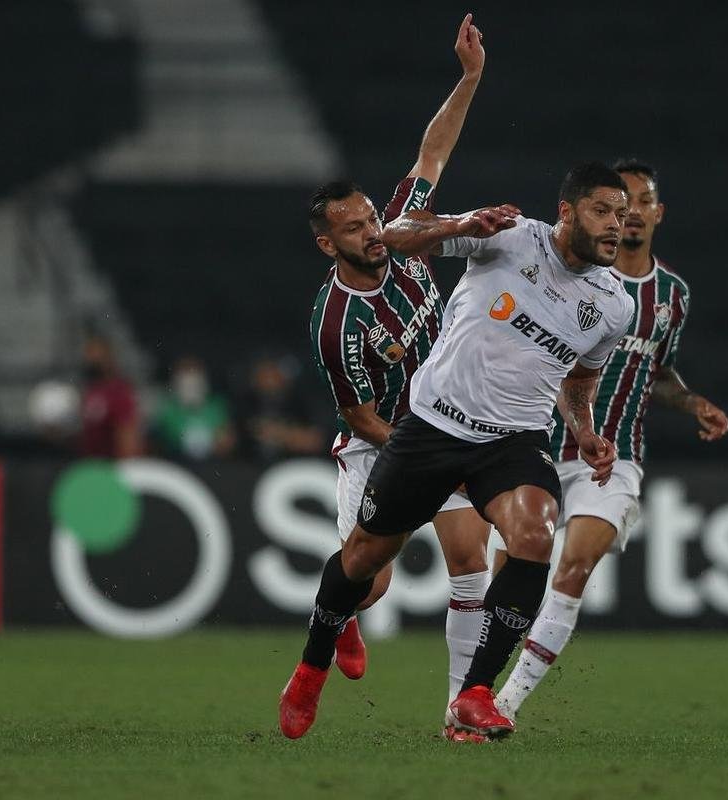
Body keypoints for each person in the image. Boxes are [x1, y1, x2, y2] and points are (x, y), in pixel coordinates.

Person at [279, 158, 636, 743]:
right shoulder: (510, 238)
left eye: (621, 216)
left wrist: (587, 431)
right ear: (567, 211)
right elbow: (394, 234)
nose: (614, 226)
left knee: (535, 533)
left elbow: (577, 383)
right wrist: (463, 221)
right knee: (364, 562)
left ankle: (473, 693)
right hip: (433, 426)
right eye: (602, 211)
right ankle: (312, 664)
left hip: (515, 439)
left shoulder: (613, 305)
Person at [278, 14, 498, 743]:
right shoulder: (336, 320)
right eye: (354, 229)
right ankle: (330, 633)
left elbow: (432, 150)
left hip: (448, 428)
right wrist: (423, 448)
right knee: (370, 581)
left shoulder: (402, 238)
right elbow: (360, 415)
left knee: (472, 559)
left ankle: (460, 711)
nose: (373, 231)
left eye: (372, 217)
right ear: (325, 244)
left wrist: (469, 76)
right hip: (382, 443)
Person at [492, 160, 728, 722]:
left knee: (572, 568)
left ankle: (508, 702)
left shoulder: (672, 295)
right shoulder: (569, 277)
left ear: (656, 213)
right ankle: (473, 688)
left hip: (615, 458)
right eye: (618, 205)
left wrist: (693, 401)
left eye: (642, 202)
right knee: (507, 581)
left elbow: (660, 372)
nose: (631, 215)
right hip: (540, 447)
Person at [237, 354, 325, 460]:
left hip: (295, 465)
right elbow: (229, 439)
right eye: (264, 376)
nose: (269, 381)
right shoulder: (245, 403)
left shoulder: (301, 402)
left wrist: (283, 434)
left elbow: (314, 440)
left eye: (273, 375)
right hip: (251, 466)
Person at [150, 355, 236, 460]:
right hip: (177, 466)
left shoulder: (217, 405)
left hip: (213, 464)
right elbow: (162, 443)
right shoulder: (166, 408)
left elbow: (227, 443)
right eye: (185, 379)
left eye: (194, 378)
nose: (190, 385)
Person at [78, 332, 143, 458]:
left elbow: (127, 435)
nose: (90, 358)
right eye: (88, 352)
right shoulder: (88, 390)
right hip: (88, 464)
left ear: (109, 356)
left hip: (109, 467)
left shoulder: (118, 391)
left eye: (94, 352)